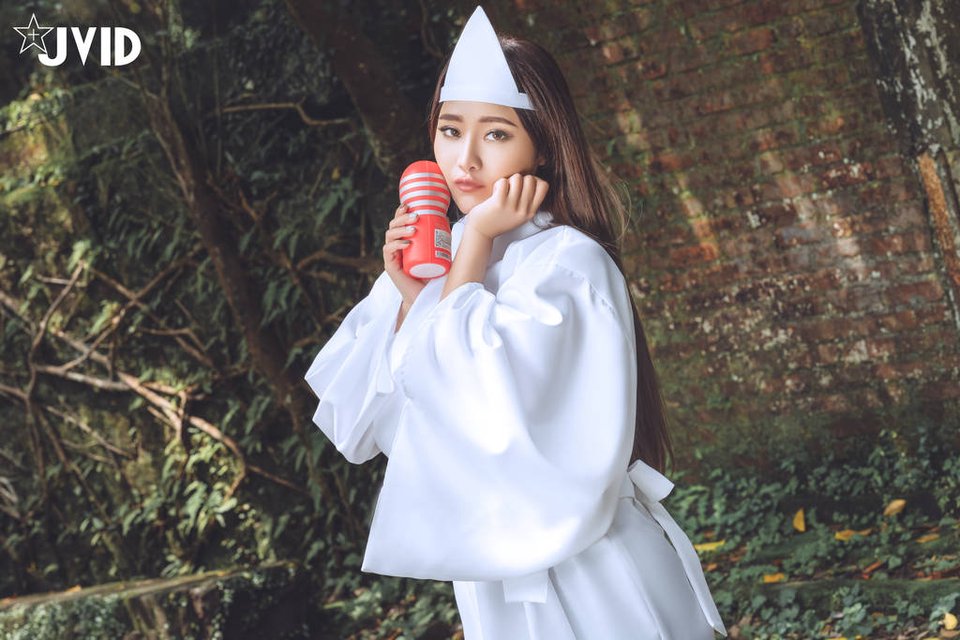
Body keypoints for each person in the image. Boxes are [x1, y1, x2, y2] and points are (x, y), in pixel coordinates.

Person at [304, 6, 727, 639]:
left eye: (496, 134)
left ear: (543, 145)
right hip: (492, 589)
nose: (465, 159)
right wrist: (410, 297)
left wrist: (472, 243)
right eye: (450, 130)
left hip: (592, 572)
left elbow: (482, 406)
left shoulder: (569, 263)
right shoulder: (443, 263)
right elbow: (361, 429)